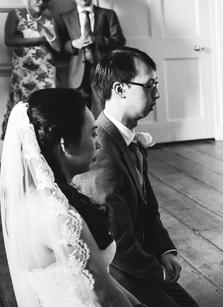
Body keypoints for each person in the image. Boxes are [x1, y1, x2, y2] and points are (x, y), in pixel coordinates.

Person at [74, 47, 198, 307]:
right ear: (120, 89)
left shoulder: (128, 139)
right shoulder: (101, 155)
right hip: (119, 273)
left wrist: (165, 250)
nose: (157, 93)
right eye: (149, 84)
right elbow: (117, 245)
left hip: (144, 261)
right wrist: (158, 273)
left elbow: (147, 209)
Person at [0, 88, 145, 307]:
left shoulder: (32, 200)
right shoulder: (58, 215)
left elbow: (101, 280)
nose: (98, 143)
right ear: (64, 143)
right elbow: (105, 296)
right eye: (93, 133)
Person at [2, 0, 61, 139]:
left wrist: (45, 30)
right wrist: (40, 40)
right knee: (21, 109)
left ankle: (45, 146)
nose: (40, 2)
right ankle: (17, 148)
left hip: (45, 72)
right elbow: (9, 40)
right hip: (23, 72)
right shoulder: (15, 14)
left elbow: (58, 47)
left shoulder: (49, 19)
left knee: (46, 109)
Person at [61, 0, 125, 118]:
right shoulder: (65, 17)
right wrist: (73, 44)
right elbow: (62, 46)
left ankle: (105, 135)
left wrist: (96, 40)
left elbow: (119, 41)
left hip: (102, 68)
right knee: (78, 112)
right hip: (77, 73)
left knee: (104, 109)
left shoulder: (108, 14)